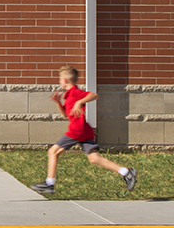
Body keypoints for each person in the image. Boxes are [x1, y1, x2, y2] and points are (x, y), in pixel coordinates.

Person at [31, 65, 136, 195]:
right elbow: (65, 114)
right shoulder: (68, 96)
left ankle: (49, 184)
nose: (59, 82)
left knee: (52, 151)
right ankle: (126, 172)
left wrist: (79, 102)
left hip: (77, 130)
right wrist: (58, 102)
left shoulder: (75, 92)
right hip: (85, 131)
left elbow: (94, 95)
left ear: (65, 80)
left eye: (60, 79)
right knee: (94, 158)